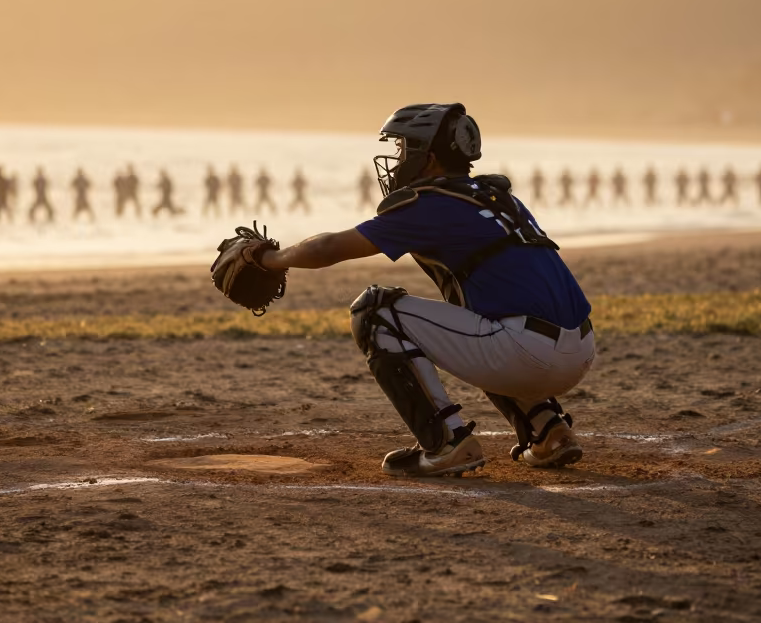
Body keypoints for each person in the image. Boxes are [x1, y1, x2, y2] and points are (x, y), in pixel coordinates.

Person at [251, 103, 594, 477]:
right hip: (581, 349)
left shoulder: (431, 204)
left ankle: (447, 443)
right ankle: (549, 429)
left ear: (427, 157)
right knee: (480, 318)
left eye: (403, 149)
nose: (397, 159)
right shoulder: (500, 198)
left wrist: (268, 258)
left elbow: (327, 249)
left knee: (374, 311)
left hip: (526, 353)